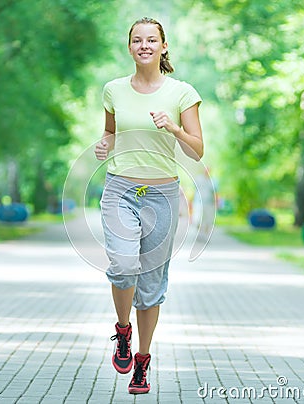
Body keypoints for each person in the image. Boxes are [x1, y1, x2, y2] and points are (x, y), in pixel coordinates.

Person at [94, 17, 203, 394]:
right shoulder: (113, 90)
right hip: (121, 189)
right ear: (129, 48)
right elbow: (110, 131)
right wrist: (104, 144)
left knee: (152, 283)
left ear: (164, 46)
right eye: (137, 40)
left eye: (151, 40)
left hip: (162, 195)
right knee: (124, 266)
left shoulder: (182, 93)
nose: (144, 45)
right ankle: (122, 331)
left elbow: (196, 148)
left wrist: (173, 128)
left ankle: (142, 359)